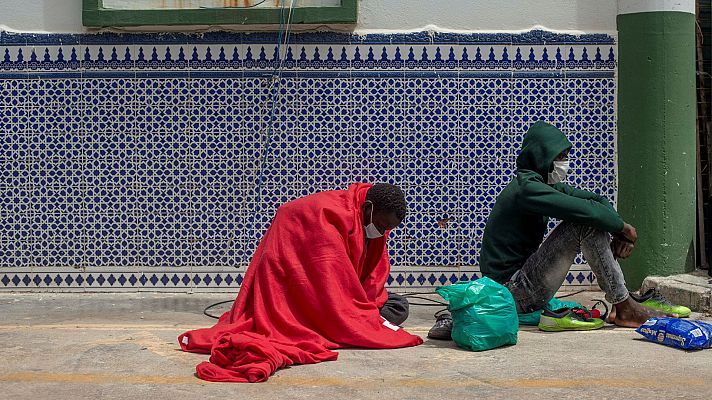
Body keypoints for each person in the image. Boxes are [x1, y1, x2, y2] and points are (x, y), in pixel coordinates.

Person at [429, 121, 675, 339]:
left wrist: (618, 230)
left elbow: (596, 202)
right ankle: (623, 306)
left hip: (520, 285)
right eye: (561, 156)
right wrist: (624, 229)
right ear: (542, 156)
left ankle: (623, 304)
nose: (564, 163)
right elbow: (588, 213)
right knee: (583, 224)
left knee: (589, 219)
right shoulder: (527, 190)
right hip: (510, 291)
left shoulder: (542, 186)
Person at [179, 182, 422, 382]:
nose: (381, 232)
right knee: (377, 320)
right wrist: (358, 311)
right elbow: (327, 280)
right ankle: (341, 324)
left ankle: (352, 322)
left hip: (329, 291)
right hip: (299, 291)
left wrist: (362, 305)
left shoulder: (365, 215)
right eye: (380, 226)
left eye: (387, 230)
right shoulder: (327, 216)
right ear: (368, 208)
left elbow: (363, 276)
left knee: (397, 305)